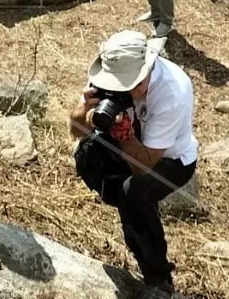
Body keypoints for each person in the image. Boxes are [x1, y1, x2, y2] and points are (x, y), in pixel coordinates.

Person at [69, 30, 199, 299]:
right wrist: (84, 112)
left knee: (134, 194)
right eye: (115, 85)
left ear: (147, 69)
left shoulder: (173, 91)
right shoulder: (107, 74)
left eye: (127, 84)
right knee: (87, 154)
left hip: (170, 160)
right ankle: (132, 214)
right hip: (129, 142)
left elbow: (145, 166)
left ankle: (158, 278)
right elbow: (75, 129)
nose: (119, 92)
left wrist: (125, 136)